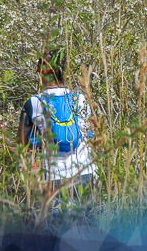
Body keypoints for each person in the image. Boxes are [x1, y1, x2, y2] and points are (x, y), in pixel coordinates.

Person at [18, 48, 97, 196]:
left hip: (55, 178)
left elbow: (22, 145)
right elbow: (91, 133)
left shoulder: (34, 103)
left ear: (42, 71)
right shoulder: (79, 99)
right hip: (86, 172)